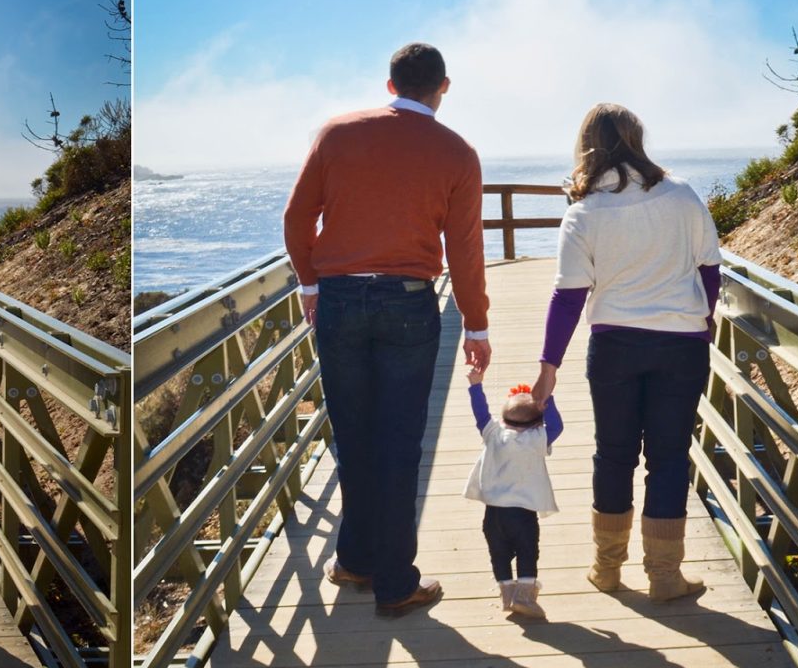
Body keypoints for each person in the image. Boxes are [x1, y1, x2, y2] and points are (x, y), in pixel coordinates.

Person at [283, 42, 490, 617]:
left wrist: (310, 284)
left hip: (341, 300)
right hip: (407, 301)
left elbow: (297, 218)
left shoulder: (336, 133)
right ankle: (396, 583)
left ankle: (355, 559)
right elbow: (465, 248)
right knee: (399, 442)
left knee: (353, 435)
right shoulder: (457, 153)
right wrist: (476, 324)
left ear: (391, 84)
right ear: (442, 87)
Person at [531, 103, 721, 602]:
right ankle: (664, 576)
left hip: (614, 345)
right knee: (669, 457)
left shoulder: (584, 211)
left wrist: (548, 366)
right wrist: (704, 320)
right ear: (637, 139)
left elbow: (568, 295)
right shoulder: (681, 194)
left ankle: (607, 569)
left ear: (587, 144)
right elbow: (709, 269)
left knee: (613, 454)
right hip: (680, 346)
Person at [464, 372, 562, 619]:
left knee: (499, 554)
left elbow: (481, 414)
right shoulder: (538, 438)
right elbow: (557, 426)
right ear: (538, 423)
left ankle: (507, 594)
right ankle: (524, 597)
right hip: (522, 514)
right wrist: (548, 399)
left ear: (503, 419)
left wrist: (476, 386)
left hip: (493, 515)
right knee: (527, 552)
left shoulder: (493, 434)